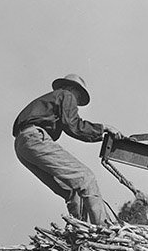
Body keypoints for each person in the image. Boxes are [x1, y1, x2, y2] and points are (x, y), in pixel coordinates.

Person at [12, 74, 122, 225]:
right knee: (87, 178)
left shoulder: (51, 99)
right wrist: (103, 128)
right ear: (72, 88)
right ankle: (105, 229)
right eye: (79, 97)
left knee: (72, 193)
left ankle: (80, 228)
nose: (76, 102)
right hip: (35, 138)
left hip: (22, 146)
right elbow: (74, 126)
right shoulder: (66, 94)